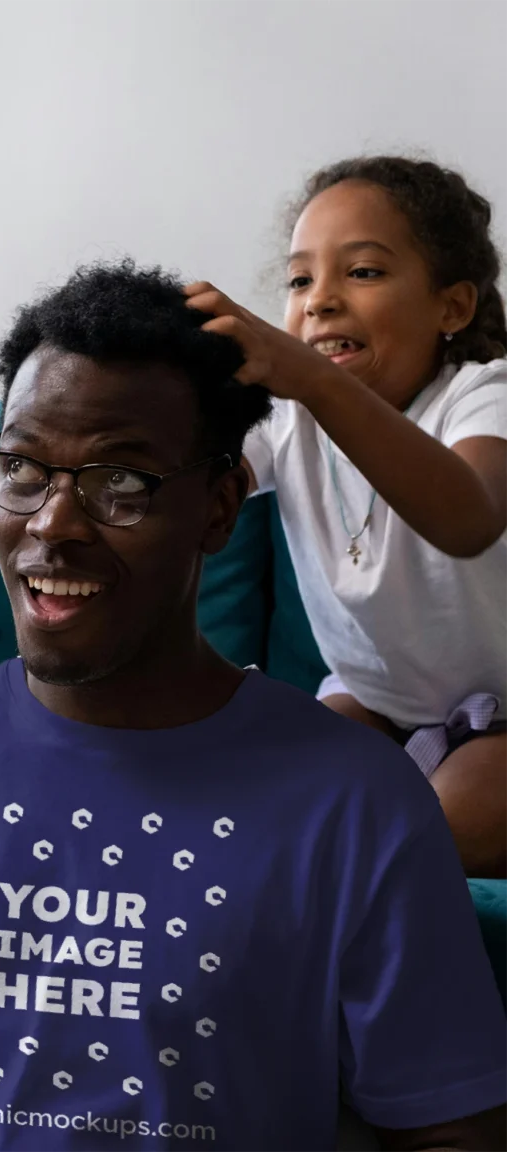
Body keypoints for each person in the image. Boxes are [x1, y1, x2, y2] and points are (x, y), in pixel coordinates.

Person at [0, 261, 507, 1152]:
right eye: (23, 467)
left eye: (121, 482)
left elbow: (455, 1135)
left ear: (220, 508)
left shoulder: (358, 803)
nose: (54, 522)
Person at [185, 156, 507, 879]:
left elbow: (470, 518)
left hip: (505, 722)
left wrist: (311, 379)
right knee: (261, 803)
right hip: (377, 704)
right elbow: (201, 486)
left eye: (361, 272)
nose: (319, 300)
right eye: (300, 280)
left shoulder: (484, 395)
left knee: (439, 831)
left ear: (451, 308)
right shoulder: (286, 417)